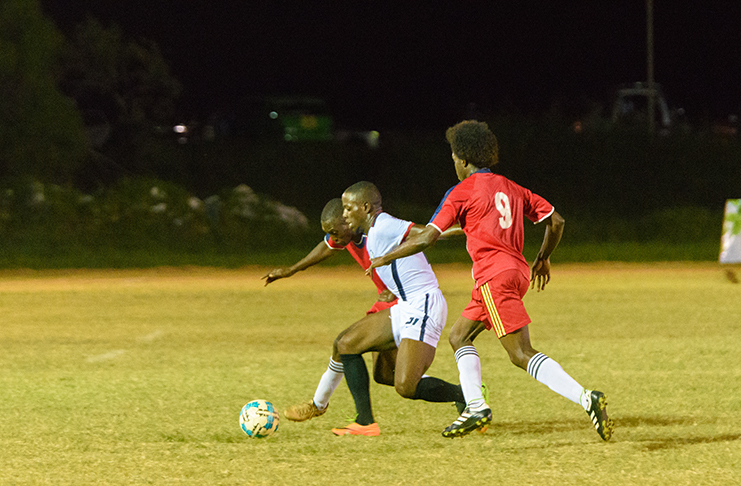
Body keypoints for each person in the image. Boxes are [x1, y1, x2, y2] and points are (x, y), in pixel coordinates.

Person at [367, 120, 614, 441]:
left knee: (520, 353)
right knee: (459, 335)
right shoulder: (512, 187)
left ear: (465, 159)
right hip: (515, 272)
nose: (453, 164)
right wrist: (543, 257)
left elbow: (427, 237)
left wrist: (387, 256)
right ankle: (475, 406)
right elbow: (556, 220)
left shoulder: (460, 192)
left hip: (493, 277)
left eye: (454, 158)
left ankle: (586, 397)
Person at [328, 181, 465, 437]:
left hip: (424, 305)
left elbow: (428, 234)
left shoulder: (385, 225)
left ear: (365, 207)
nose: (344, 214)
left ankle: (467, 394)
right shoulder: (372, 233)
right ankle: (365, 422)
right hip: (405, 304)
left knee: (405, 387)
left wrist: (471, 229)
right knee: (347, 344)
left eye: (348, 208)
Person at [263, 198, 400, 421]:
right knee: (387, 376)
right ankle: (465, 396)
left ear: (349, 221)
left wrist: (397, 287)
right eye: (329, 232)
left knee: (345, 344)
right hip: (385, 303)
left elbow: (413, 247)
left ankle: (324, 407)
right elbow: (325, 247)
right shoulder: (347, 236)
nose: (332, 237)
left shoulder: (376, 234)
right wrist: (291, 270)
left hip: (405, 302)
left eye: (335, 231)